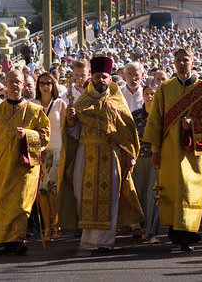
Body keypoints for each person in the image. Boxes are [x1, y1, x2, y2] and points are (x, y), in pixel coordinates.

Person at [61, 56, 143, 253]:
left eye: (105, 77)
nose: (101, 80)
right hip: (85, 154)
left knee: (110, 197)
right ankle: (88, 239)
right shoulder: (82, 101)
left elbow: (127, 128)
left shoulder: (117, 100)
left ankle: (105, 241)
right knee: (83, 196)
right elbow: (72, 133)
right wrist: (71, 120)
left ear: (110, 78)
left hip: (110, 154)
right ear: (92, 76)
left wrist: (130, 152)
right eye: (98, 76)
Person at [143, 48, 202, 252]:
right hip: (169, 151)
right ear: (174, 63)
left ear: (193, 61)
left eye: (185, 59)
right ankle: (175, 233)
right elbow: (155, 121)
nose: (182, 63)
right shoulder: (164, 88)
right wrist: (155, 150)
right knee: (173, 190)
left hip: (194, 152)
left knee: (190, 191)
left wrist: (194, 124)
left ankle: (188, 234)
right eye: (178, 60)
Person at [0, 70, 50, 255]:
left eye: (18, 82)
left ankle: (17, 239)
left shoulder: (35, 111)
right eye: (11, 81)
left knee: (21, 204)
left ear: (23, 85)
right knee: (0, 202)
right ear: (6, 84)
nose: (14, 85)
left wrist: (28, 135)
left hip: (24, 169)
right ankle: (0, 240)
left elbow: (45, 137)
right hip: (1, 167)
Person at [33, 72, 67, 241]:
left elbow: (64, 128)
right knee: (41, 191)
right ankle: (46, 227)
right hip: (38, 151)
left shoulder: (60, 104)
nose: (45, 86)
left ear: (53, 85)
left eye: (48, 83)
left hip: (56, 149)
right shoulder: (32, 104)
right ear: (37, 86)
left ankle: (55, 225)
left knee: (53, 190)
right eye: (42, 83)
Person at [131, 83, 160, 243]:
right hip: (139, 159)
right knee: (140, 194)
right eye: (147, 93)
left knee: (153, 195)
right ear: (142, 96)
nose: (150, 96)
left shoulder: (161, 115)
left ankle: (152, 232)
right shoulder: (136, 115)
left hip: (156, 159)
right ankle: (141, 226)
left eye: (153, 93)